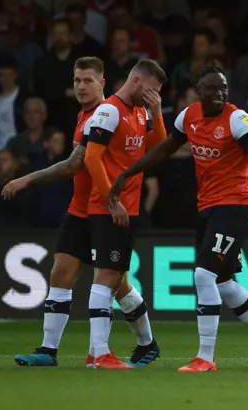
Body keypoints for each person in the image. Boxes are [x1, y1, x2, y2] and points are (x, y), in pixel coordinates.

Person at [109, 65, 248, 372]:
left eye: (223, 88)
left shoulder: (238, 119)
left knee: (202, 275)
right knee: (222, 282)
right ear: (198, 91)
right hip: (207, 209)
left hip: (234, 206)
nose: (219, 93)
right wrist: (128, 174)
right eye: (212, 88)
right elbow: (164, 150)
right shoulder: (188, 117)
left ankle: (205, 358)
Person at [4, 57, 160, 369]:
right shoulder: (85, 117)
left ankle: (125, 348)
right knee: (62, 273)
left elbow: (81, 162)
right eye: (76, 81)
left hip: (107, 208)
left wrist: (28, 179)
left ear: (102, 83)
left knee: (115, 283)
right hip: (81, 209)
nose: (81, 86)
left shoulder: (113, 114)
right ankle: (48, 351)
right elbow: (77, 163)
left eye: (88, 80)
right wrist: (29, 179)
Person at [82, 59, 168, 369]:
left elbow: (159, 150)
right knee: (106, 277)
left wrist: (157, 113)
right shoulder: (110, 111)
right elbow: (92, 159)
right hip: (110, 208)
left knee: (116, 278)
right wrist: (111, 200)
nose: (154, 96)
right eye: (153, 91)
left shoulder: (142, 111)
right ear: (137, 82)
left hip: (128, 208)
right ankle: (100, 354)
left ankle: (138, 346)